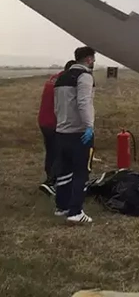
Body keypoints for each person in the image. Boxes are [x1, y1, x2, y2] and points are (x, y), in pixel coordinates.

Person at [53, 46, 96, 223]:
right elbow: (84, 102)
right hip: (79, 133)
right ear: (88, 59)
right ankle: (76, 212)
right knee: (81, 172)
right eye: (93, 58)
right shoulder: (84, 76)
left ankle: (61, 207)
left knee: (64, 171)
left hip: (62, 131)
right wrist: (89, 126)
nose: (93, 61)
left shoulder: (61, 77)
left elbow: (57, 106)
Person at [38, 60, 75, 196]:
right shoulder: (64, 83)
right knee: (59, 152)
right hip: (54, 123)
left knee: (51, 150)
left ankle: (50, 177)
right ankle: (51, 182)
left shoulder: (54, 78)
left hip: (43, 120)